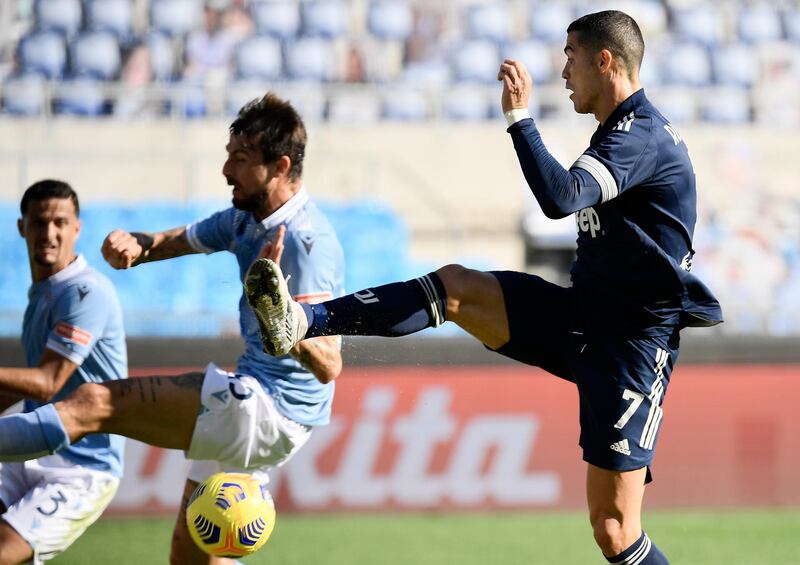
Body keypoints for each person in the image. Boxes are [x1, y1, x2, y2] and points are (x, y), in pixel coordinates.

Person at [246, 11, 722, 565]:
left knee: (614, 529)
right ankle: (302, 322)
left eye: (570, 56)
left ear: (604, 60)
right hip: (580, 318)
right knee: (454, 288)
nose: (563, 70)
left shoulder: (640, 135)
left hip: (629, 348)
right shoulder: (620, 133)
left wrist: (519, 117)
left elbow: (561, 197)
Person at [0, 94, 344, 565]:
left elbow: (329, 363)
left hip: (270, 409)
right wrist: (137, 245)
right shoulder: (247, 219)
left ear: (279, 166)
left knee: (96, 403)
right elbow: (177, 240)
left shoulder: (306, 243)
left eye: (239, 160)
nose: (225, 170)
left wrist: (277, 311)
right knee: (191, 555)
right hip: (259, 401)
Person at [0, 180, 127, 564]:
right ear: (22, 227)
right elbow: (30, 386)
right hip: (30, 447)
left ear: (77, 228)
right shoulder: (45, 292)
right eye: (39, 222)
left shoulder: (85, 292)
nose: (49, 233)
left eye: (59, 222)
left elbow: (48, 383)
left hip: (82, 468)